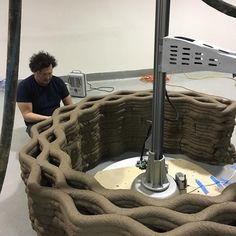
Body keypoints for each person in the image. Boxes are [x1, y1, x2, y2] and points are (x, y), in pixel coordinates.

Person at [17, 51, 72, 136]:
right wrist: (50, 119)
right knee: (46, 138)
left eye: (50, 73)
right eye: (44, 74)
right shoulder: (24, 86)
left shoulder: (58, 82)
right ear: (35, 72)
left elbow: (70, 107)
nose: (47, 77)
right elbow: (27, 115)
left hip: (57, 118)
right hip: (36, 123)